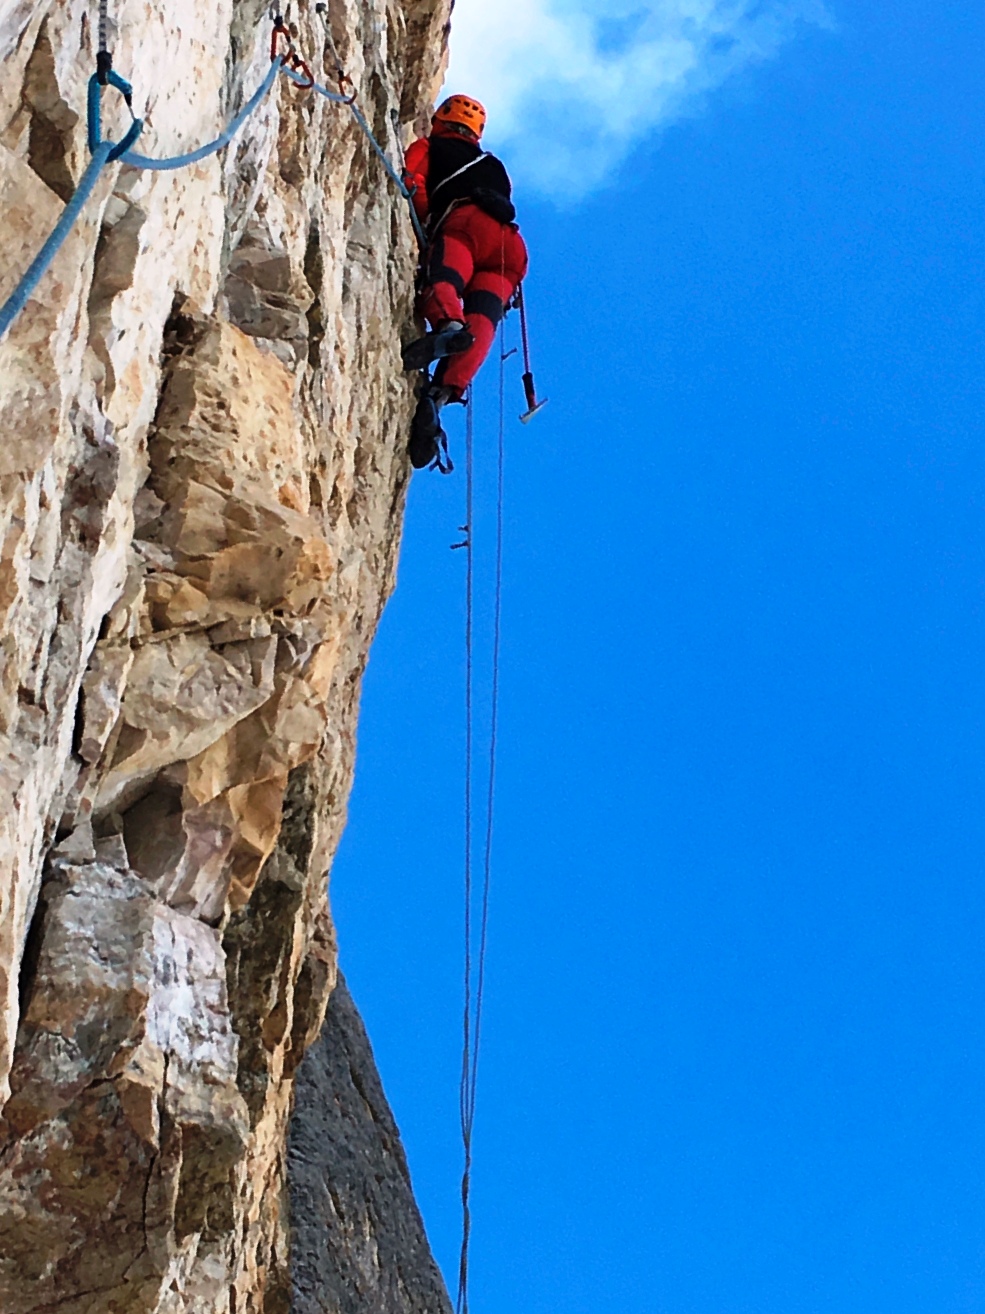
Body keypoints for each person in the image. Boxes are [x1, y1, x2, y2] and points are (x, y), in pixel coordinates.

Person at [401, 94, 529, 469]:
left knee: (446, 278)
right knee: (485, 317)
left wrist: (424, 215)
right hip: (510, 249)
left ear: (441, 119)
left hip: (466, 224)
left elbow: (414, 181)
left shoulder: (429, 144)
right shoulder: (495, 165)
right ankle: (442, 393)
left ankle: (447, 324)